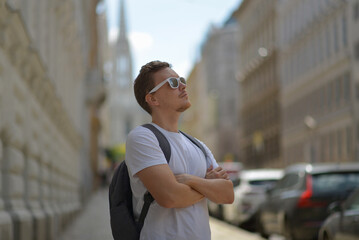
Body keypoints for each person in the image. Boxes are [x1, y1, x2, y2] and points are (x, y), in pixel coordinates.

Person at [125, 60, 234, 240]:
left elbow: (228, 194)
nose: (183, 86)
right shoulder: (142, 137)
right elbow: (170, 197)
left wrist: (189, 180)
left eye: (181, 80)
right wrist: (207, 184)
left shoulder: (198, 145)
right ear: (152, 98)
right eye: (173, 83)